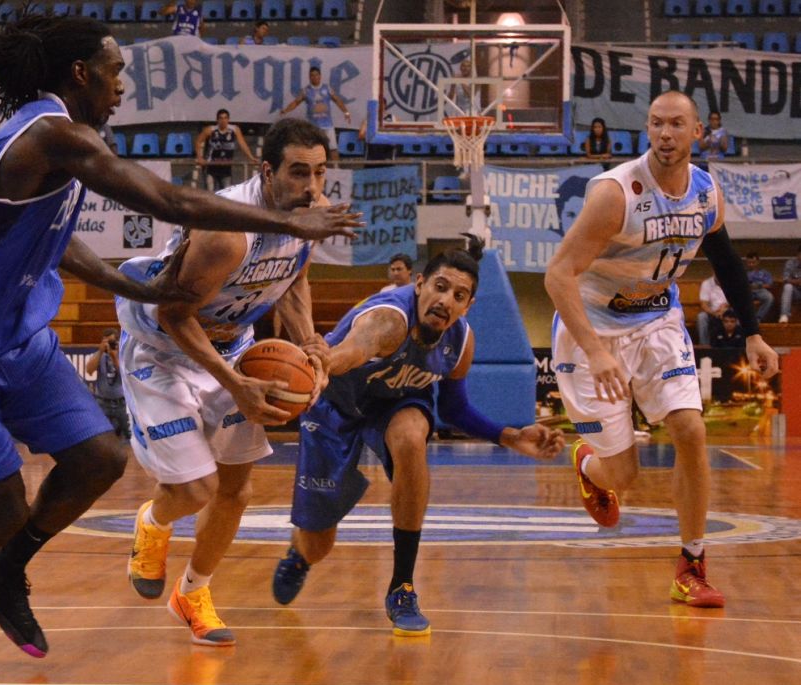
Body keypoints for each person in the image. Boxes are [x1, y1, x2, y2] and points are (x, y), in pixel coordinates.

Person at [0, 14, 360, 669]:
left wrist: (134, 286)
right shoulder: (50, 135)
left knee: (99, 459)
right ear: (80, 74)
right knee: (3, 504)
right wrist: (292, 222)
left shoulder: (61, 144)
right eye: (115, 71)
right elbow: (170, 201)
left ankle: (5, 569)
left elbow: (56, 240)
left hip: (13, 331)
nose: (122, 85)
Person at [544, 90, 778, 609]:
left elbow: (726, 260)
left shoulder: (705, 192)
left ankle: (691, 564)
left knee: (691, 430)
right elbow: (558, 275)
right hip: (591, 329)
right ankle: (589, 466)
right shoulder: (617, 194)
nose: (665, 134)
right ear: (646, 129)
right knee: (622, 476)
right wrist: (596, 351)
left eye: (675, 124)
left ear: (698, 132)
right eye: (656, 124)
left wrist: (753, 333)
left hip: (656, 321)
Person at [120, 118, 344, 646]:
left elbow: (293, 280)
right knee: (195, 488)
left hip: (232, 346)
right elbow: (175, 315)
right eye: (298, 173)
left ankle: (192, 593)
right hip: (164, 349)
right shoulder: (226, 234)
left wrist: (310, 342)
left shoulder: (309, 216)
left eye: (319, 173)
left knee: (236, 490)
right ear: (266, 171)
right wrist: (237, 384)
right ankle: (154, 521)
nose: (311, 187)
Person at [270, 239, 564, 635]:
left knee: (411, 437)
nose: (446, 300)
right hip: (335, 401)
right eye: (440, 287)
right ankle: (300, 554)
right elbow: (354, 351)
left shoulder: (460, 341)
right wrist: (324, 362)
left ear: (468, 306)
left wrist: (510, 436)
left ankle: (402, 587)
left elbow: (454, 409)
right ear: (420, 283)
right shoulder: (390, 320)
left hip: (396, 400)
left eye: (458, 295)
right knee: (318, 544)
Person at [280, 66, 351, 162]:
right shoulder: (306, 91)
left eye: (316, 75)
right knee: (311, 149)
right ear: (309, 77)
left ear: (320, 76)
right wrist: (286, 110)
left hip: (327, 125)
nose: (314, 77)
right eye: (312, 75)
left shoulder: (327, 88)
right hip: (313, 127)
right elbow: (296, 102)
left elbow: (337, 100)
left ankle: (337, 169)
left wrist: (346, 112)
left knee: (333, 149)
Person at [195, 108, 257, 192]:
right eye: (221, 118)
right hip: (211, 166)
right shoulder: (210, 130)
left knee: (226, 192)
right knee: (211, 192)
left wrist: (251, 157)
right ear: (217, 120)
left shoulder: (234, 130)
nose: (223, 121)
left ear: (228, 119)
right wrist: (199, 157)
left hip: (226, 167)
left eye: (225, 118)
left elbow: (242, 144)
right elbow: (198, 141)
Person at [86, 328, 129, 439]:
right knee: (101, 436)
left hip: (121, 404)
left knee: (129, 437)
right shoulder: (99, 356)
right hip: (103, 403)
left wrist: (114, 357)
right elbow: (89, 371)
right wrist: (100, 352)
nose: (109, 345)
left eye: (111, 342)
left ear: (117, 342)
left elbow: (125, 376)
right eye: (106, 342)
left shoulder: (123, 356)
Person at [697, 272, 729, 346]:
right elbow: (704, 304)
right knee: (701, 317)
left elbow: (735, 300)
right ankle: (704, 345)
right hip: (711, 312)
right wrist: (714, 313)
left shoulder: (731, 282)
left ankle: (738, 345)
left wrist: (725, 307)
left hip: (727, 311)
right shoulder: (706, 284)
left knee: (740, 315)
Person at [744, 251, 774, 322]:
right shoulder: (743, 272)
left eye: (753, 262)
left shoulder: (765, 273)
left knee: (769, 298)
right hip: (747, 291)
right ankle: (744, 319)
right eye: (749, 262)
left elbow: (769, 285)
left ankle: (758, 318)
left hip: (760, 290)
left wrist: (759, 286)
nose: (751, 264)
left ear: (758, 262)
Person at [778, 244, 801, 323]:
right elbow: (785, 279)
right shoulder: (790, 263)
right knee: (787, 286)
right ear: (798, 254)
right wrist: (797, 282)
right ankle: (784, 315)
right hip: (795, 292)